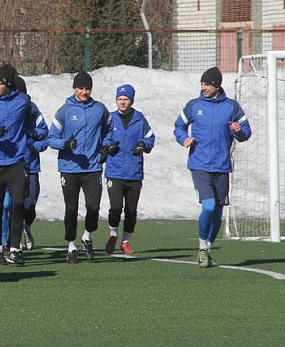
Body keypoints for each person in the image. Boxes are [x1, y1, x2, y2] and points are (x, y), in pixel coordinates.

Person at [0, 64, 47, 266]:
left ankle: (14, 249)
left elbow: (40, 126)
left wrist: (32, 135)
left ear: (9, 84)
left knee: (18, 204)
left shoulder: (24, 102)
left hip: (16, 162)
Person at [174, 67, 251, 268]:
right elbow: (179, 126)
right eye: (202, 84)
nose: (203, 88)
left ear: (216, 86)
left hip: (222, 166)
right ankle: (201, 247)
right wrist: (184, 139)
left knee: (217, 211)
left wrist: (238, 130)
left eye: (207, 84)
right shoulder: (194, 105)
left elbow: (246, 132)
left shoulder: (232, 107)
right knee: (208, 206)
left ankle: (207, 248)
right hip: (199, 165)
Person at [48, 71, 111, 263]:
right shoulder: (64, 111)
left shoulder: (100, 109)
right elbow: (51, 138)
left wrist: (105, 147)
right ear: (74, 88)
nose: (84, 92)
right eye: (80, 88)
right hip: (69, 168)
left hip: (92, 167)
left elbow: (109, 129)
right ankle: (71, 246)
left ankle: (87, 236)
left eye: (87, 88)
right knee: (71, 208)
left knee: (93, 207)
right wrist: (66, 144)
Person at [102, 84, 155, 255]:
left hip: (134, 172)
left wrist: (143, 144)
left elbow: (150, 137)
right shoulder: (110, 119)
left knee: (131, 210)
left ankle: (125, 241)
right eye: (120, 99)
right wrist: (108, 146)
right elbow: (103, 137)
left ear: (131, 101)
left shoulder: (140, 119)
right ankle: (113, 234)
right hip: (114, 172)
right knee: (116, 207)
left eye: (126, 99)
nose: (122, 102)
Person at [0, 75, 49, 251]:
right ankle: (10, 241)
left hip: (31, 166)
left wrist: (34, 143)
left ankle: (26, 227)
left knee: (28, 206)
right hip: (12, 164)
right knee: (10, 205)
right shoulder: (6, 109)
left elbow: (45, 135)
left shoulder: (32, 110)